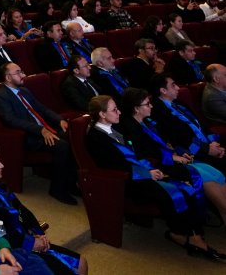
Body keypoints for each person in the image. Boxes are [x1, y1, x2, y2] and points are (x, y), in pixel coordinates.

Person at [85, 95, 222, 261]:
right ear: (102, 114)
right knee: (179, 192)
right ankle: (183, 235)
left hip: (143, 171)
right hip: (127, 181)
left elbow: (137, 153)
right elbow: (113, 166)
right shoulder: (95, 137)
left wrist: (153, 168)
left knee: (188, 187)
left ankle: (191, 235)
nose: (119, 112)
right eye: (114, 110)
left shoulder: (117, 127)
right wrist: (146, 173)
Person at [0, 146, 86, 275]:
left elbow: (22, 210)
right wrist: (30, 242)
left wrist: (38, 231)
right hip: (13, 249)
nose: (2, 165)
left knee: (81, 263)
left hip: (26, 238)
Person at [119, 87, 226, 225]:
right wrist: (172, 157)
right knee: (205, 177)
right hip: (161, 166)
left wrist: (179, 152)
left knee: (215, 173)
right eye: (147, 104)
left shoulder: (147, 122)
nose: (151, 105)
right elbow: (145, 154)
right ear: (136, 109)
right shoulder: (130, 128)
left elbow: (166, 143)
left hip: (172, 159)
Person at [0, 64, 78, 205]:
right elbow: (11, 120)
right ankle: (57, 189)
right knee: (61, 146)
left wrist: (60, 120)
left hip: (43, 129)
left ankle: (71, 182)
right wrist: (40, 130)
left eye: (22, 71)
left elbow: (42, 109)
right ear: (8, 77)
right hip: (26, 136)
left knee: (73, 137)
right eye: (18, 72)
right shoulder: (1, 95)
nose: (23, 75)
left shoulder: (24, 91)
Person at [149, 73, 226, 173]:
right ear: (163, 91)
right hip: (192, 153)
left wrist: (213, 142)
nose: (177, 88)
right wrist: (208, 149)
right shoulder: (157, 112)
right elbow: (179, 139)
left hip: (207, 145)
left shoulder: (179, 103)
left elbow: (199, 123)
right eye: (173, 85)